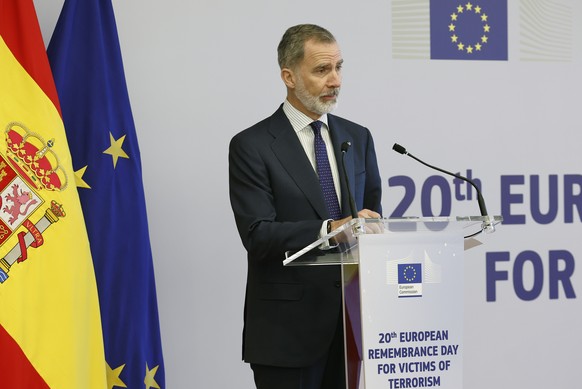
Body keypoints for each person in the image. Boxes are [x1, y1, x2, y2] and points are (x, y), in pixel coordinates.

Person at [229, 24, 382, 389]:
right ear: (289, 76)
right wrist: (330, 229)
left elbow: (372, 214)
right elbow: (258, 234)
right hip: (287, 332)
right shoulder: (253, 145)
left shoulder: (356, 138)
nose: (335, 81)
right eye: (321, 70)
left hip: (351, 326)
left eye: (339, 68)